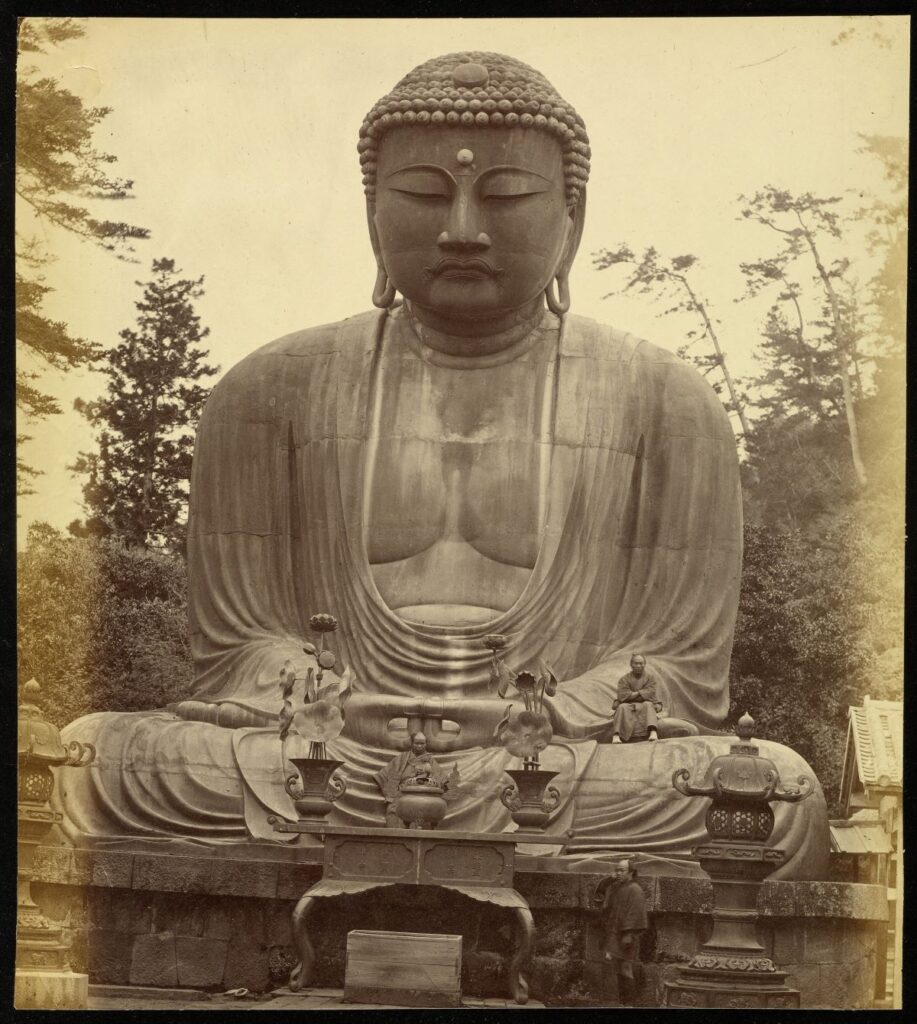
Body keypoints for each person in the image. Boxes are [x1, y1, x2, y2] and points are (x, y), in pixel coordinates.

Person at [55, 51, 828, 880]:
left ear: (572, 214)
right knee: (90, 758)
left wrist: (545, 716)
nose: (462, 228)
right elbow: (238, 643)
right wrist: (329, 702)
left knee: (776, 790)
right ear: (370, 212)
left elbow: (674, 668)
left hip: (548, 760)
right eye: (424, 195)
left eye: (505, 196)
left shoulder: (667, 402)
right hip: (328, 753)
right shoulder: (267, 390)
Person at [594, 858, 648, 1006]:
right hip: (614, 933)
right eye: (616, 870)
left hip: (626, 935)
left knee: (625, 967)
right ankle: (623, 1002)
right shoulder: (616, 887)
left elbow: (635, 913)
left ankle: (629, 1004)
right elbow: (600, 891)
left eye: (621, 870)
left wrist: (628, 934)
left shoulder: (635, 889)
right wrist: (609, 878)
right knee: (617, 967)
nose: (618, 873)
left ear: (630, 873)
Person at [374, 732, 452, 826]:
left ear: (426, 744)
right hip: (402, 796)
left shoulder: (430, 761)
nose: (419, 746)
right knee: (393, 811)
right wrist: (393, 793)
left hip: (424, 798)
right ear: (412, 744)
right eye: (417, 743)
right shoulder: (402, 758)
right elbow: (385, 775)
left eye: (422, 744)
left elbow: (442, 780)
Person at [611, 655, 663, 743]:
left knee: (648, 704)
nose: (639, 666)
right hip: (628, 704)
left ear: (644, 664)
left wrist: (632, 694)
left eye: (641, 663)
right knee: (622, 707)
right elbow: (623, 695)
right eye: (636, 663)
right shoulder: (624, 679)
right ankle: (616, 735)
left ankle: (653, 732)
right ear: (631, 665)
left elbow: (650, 692)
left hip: (645, 703)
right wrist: (641, 693)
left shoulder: (650, 678)